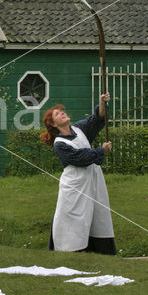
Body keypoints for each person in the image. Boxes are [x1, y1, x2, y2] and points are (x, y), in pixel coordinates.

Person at [40, 92, 116, 255]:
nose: (62, 112)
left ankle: (101, 254)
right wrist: (101, 150)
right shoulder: (59, 144)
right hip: (74, 187)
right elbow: (80, 157)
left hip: (92, 182)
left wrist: (102, 102)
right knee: (73, 220)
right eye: (57, 114)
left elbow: (96, 119)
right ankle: (69, 252)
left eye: (62, 111)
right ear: (53, 124)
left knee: (98, 217)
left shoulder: (79, 129)